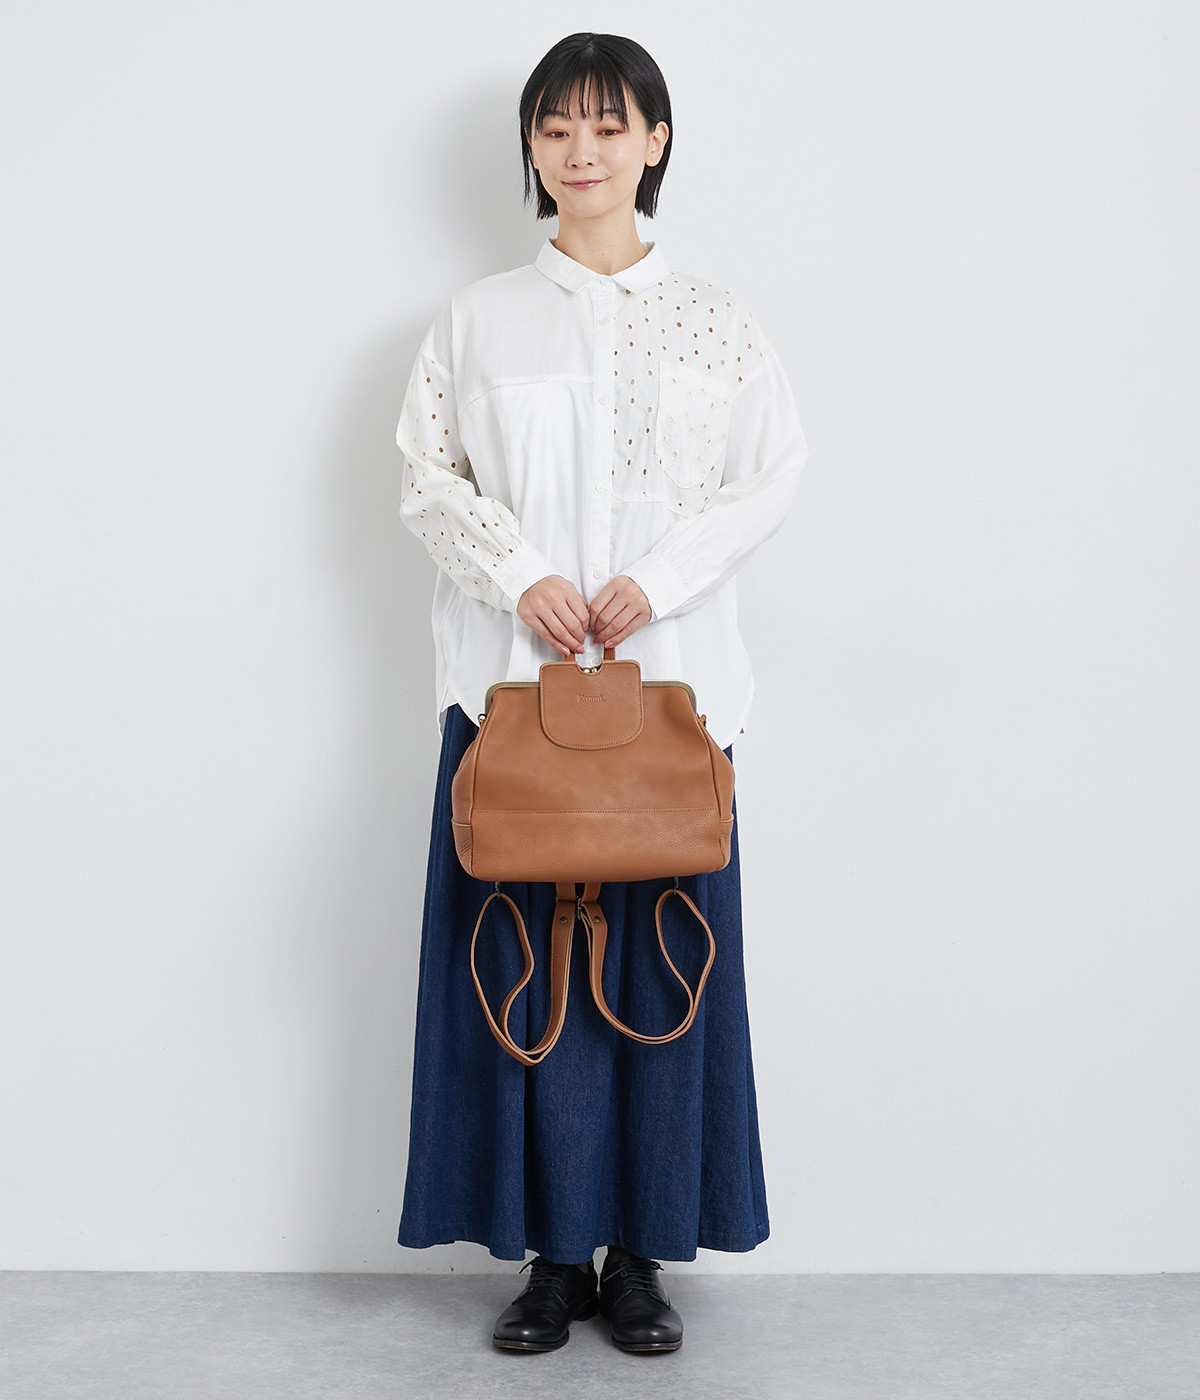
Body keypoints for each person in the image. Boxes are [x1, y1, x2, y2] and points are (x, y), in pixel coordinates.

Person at [392, 32, 809, 1354]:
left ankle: (640, 1259)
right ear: (530, 146)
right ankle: (549, 1259)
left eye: (609, 125)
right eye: (556, 127)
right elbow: (428, 477)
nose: (581, 150)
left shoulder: (718, 322)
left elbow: (770, 476)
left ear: (656, 140)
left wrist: (659, 579)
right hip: (514, 700)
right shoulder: (477, 320)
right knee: (525, 976)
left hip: (673, 703)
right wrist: (519, 573)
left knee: (663, 967)